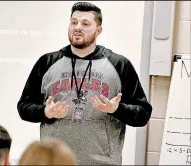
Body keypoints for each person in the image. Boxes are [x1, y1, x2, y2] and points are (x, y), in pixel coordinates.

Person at [17, 1, 152, 165]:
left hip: (101, 161)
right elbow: (24, 107)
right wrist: (45, 111)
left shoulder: (119, 65)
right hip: (55, 161)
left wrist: (117, 109)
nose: (77, 27)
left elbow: (143, 113)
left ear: (98, 30)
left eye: (85, 23)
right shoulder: (47, 62)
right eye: (74, 22)